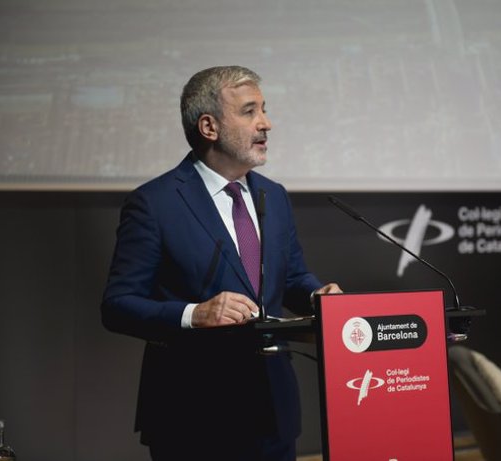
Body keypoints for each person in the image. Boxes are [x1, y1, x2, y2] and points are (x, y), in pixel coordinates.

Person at [101, 65, 341, 461]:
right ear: (209, 127)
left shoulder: (274, 196)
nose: (266, 123)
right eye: (249, 112)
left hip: (273, 414)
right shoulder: (154, 203)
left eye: (264, 109)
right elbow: (117, 305)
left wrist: (318, 297)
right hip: (193, 417)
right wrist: (195, 314)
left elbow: (292, 277)